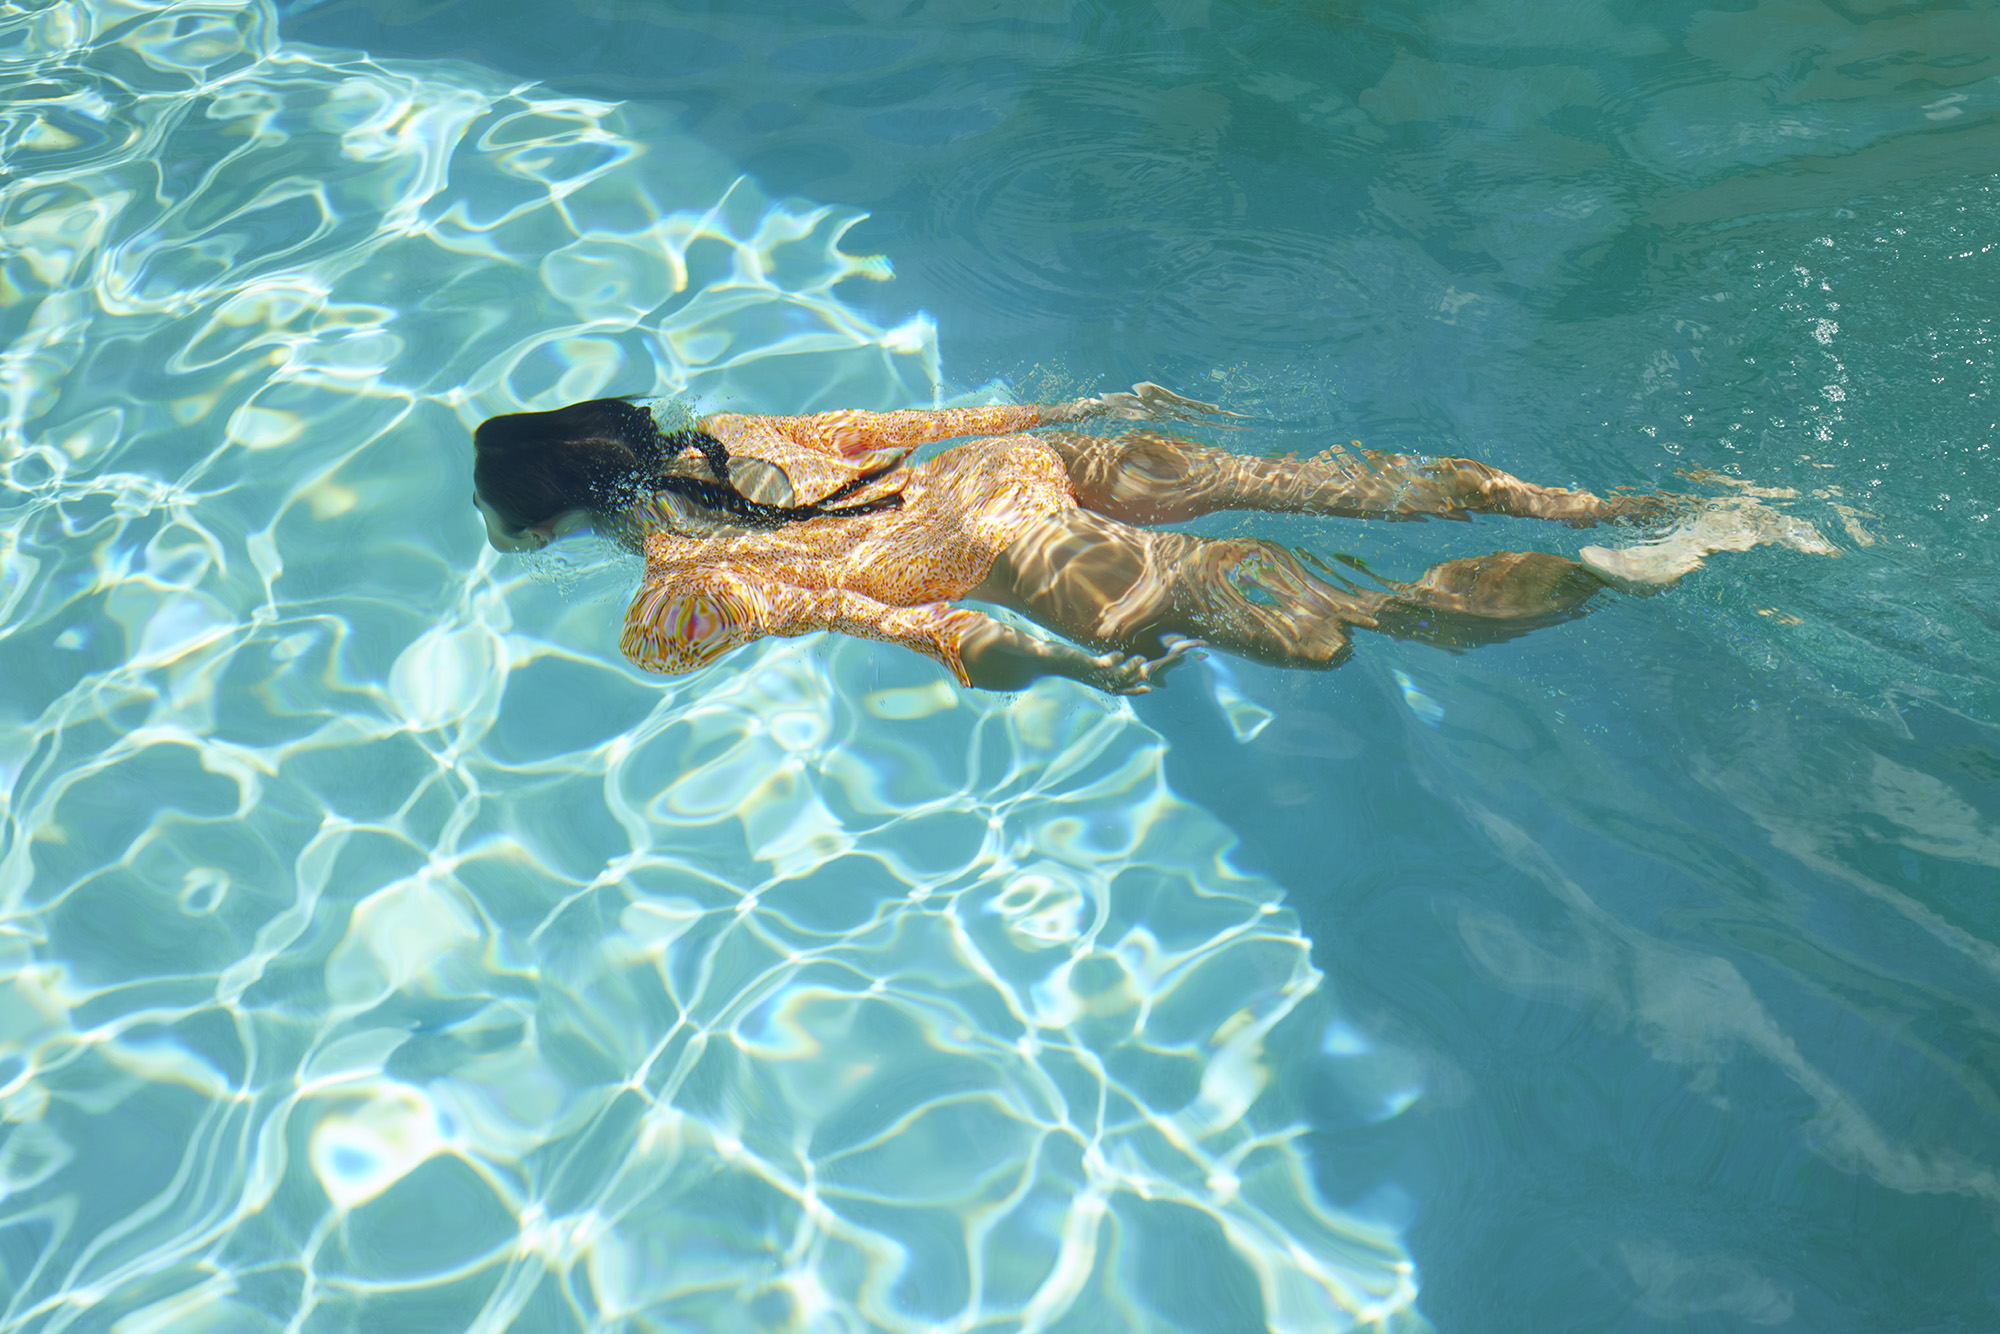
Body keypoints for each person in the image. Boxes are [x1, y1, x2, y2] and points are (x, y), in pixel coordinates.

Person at [469, 386, 1676, 694]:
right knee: (1321, 484)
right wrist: (1062, 413)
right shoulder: (722, 435)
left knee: (1339, 628)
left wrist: (1066, 666)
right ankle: (1599, 506)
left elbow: (913, 625)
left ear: (549, 524)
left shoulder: (679, 602)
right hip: (1006, 466)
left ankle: (1616, 568)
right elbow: (907, 426)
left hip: (1007, 557)